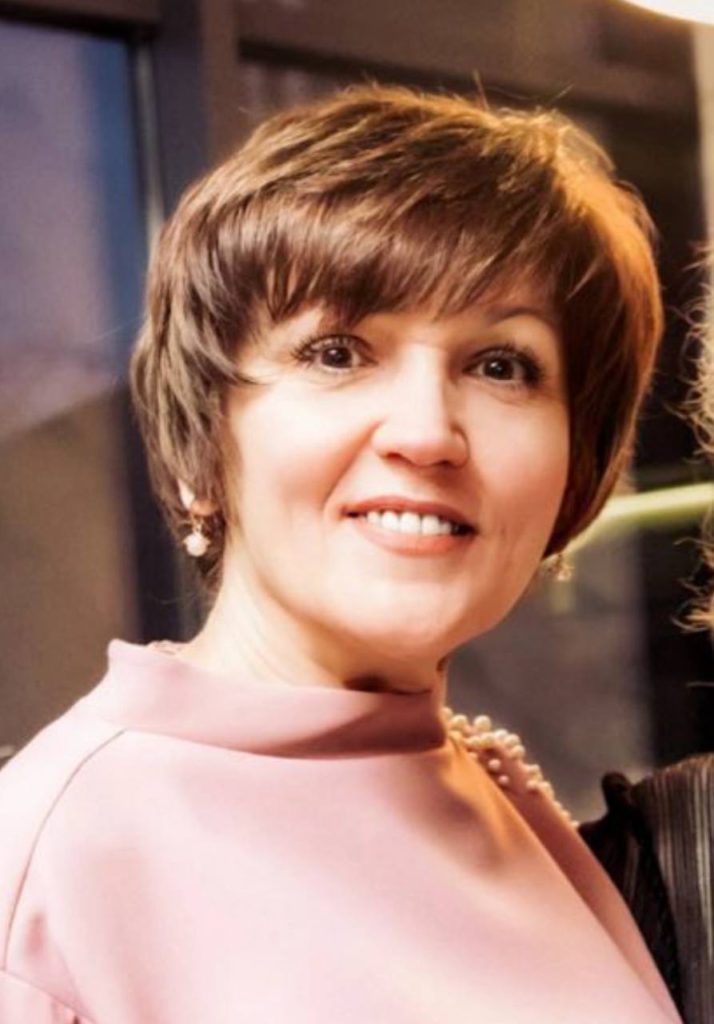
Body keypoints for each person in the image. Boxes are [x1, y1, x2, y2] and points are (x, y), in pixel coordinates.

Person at [0, 85, 682, 1022]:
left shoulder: (509, 802)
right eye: (337, 352)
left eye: (502, 365)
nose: (427, 433)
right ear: (202, 441)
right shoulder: (50, 868)